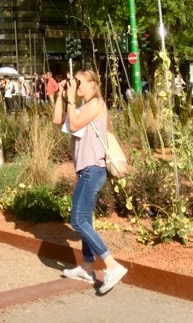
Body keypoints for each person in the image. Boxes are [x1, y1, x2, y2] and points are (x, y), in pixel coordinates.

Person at [53, 68, 128, 294]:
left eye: (79, 81)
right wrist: (61, 95)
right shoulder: (81, 106)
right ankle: (87, 266)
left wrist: (71, 101)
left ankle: (112, 266)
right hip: (85, 170)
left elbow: (74, 125)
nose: (76, 84)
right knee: (85, 219)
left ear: (92, 85)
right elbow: (58, 120)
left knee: (77, 220)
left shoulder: (95, 105)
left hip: (94, 168)